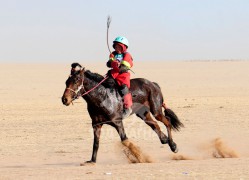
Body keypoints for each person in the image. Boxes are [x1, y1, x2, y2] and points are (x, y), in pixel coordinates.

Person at [106, 36, 133, 118]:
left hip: (123, 75)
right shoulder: (113, 54)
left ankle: (128, 108)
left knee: (124, 89)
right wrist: (112, 62)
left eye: (119, 46)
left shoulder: (127, 55)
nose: (117, 48)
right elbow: (108, 64)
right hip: (113, 74)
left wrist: (120, 65)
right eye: (116, 46)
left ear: (123, 47)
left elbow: (127, 66)